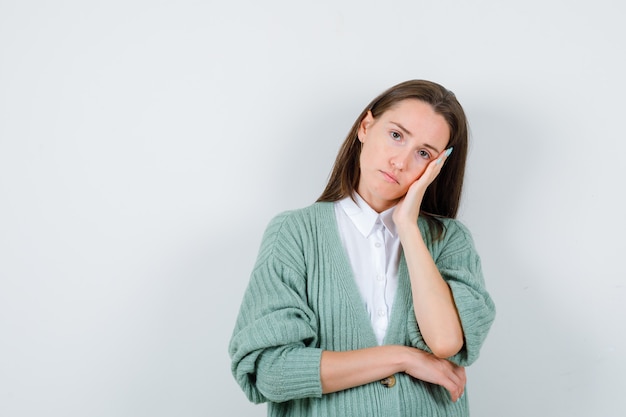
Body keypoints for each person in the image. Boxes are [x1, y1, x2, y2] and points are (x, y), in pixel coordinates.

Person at [228, 80, 496, 417]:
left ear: (437, 167)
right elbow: (271, 372)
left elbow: (445, 343)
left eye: (423, 153)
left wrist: (409, 229)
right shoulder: (294, 233)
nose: (400, 161)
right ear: (366, 127)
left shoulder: (449, 240)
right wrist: (403, 358)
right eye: (396, 135)